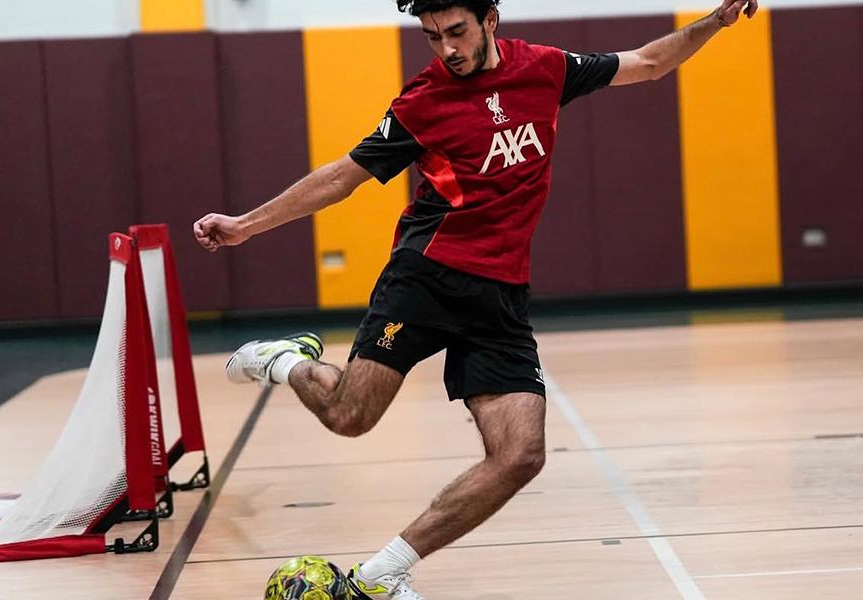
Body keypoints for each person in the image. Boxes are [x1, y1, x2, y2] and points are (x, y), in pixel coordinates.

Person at [194, 0, 758, 597]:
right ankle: (285, 360)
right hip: (426, 280)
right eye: (432, 36)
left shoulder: (545, 69)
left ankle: (380, 574)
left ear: (490, 19)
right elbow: (342, 177)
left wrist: (714, 23)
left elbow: (647, 62)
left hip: (500, 295)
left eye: (457, 32)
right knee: (349, 417)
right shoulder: (423, 102)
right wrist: (245, 225)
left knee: (520, 454)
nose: (447, 49)